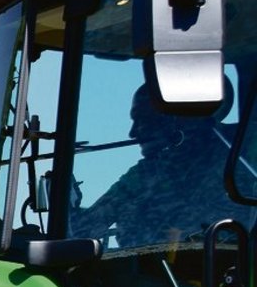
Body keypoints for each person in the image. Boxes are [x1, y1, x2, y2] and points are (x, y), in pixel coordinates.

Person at [70, 84, 252, 246]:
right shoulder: (146, 173)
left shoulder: (245, 146)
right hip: (158, 270)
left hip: (235, 266)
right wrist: (66, 197)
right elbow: (84, 229)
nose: (132, 133)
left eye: (142, 119)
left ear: (176, 119)